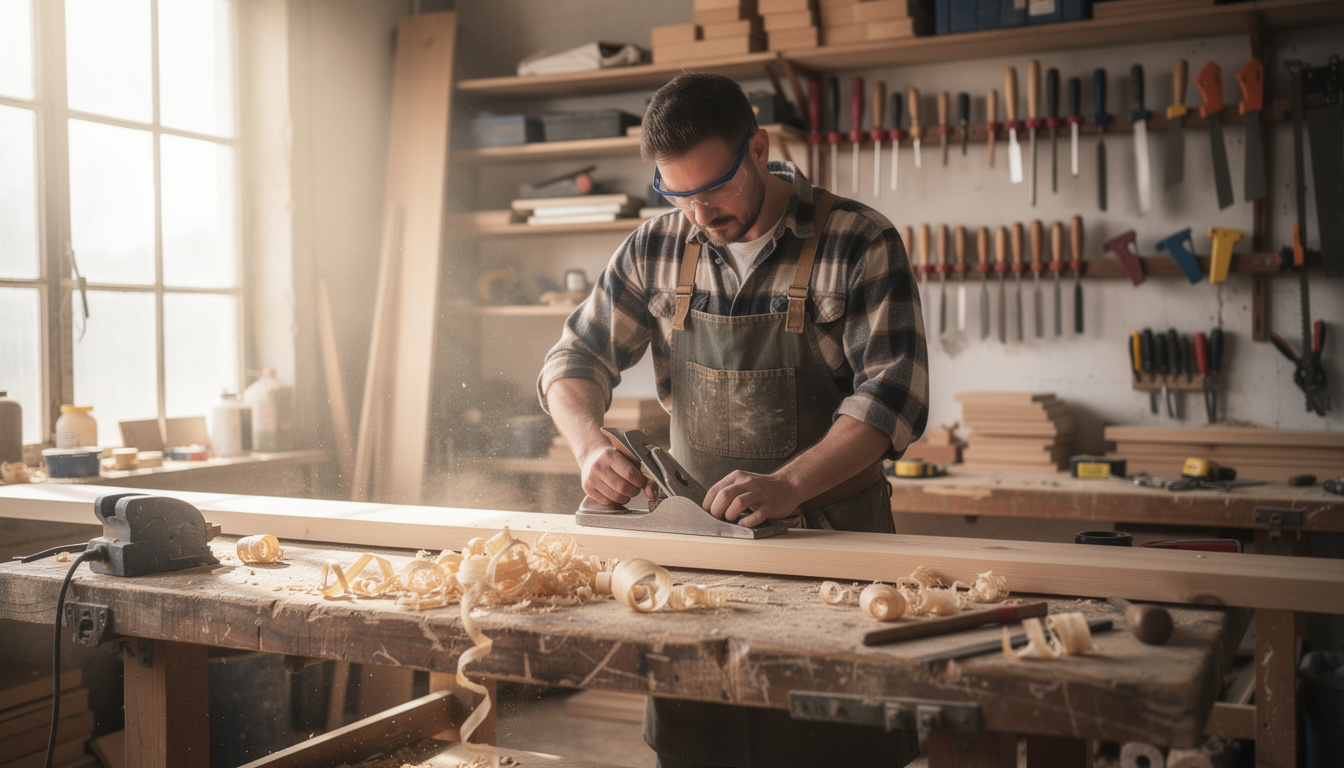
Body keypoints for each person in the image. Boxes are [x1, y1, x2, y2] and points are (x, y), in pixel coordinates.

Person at [538, 73, 928, 768]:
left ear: (758, 146)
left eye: (712, 190)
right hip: (701, 569)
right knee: (701, 741)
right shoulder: (654, 249)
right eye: (676, 194)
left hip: (833, 558)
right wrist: (588, 446)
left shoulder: (859, 240)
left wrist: (789, 484)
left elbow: (893, 398)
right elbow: (573, 360)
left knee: (837, 744)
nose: (698, 213)